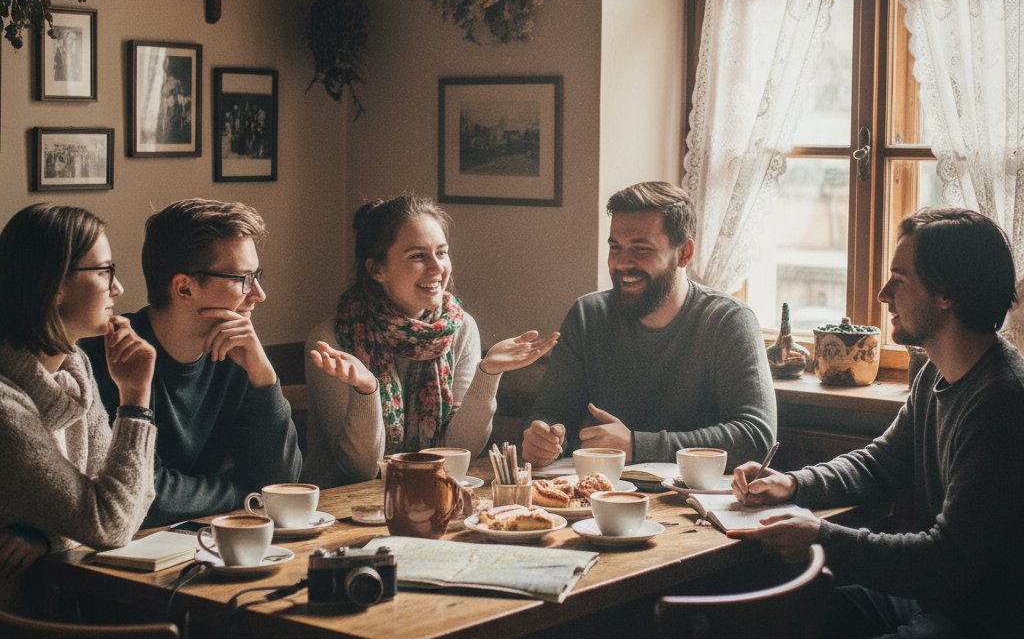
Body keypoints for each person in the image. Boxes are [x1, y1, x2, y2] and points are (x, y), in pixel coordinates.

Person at [731, 207, 1024, 639]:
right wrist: (795, 484)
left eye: (900, 278)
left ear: (947, 295)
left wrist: (820, 536)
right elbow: (880, 463)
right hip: (939, 607)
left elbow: (947, 563)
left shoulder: (1002, 403)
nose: (884, 292)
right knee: (780, 621)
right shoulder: (935, 372)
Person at [303, 194, 559, 486]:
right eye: (418, 256)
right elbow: (361, 470)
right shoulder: (330, 340)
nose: (437, 268)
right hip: (341, 512)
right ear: (377, 270)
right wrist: (367, 390)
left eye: (442, 252)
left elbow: (461, 450)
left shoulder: (460, 328)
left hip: (433, 494)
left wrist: (488, 373)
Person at [522, 181, 775, 467]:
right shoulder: (587, 315)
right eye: (615, 247)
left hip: (693, 501)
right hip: (595, 493)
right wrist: (542, 437)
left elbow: (756, 437)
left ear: (684, 254)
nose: (621, 263)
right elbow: (550, 413)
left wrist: (638, 446)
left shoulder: (729, 321)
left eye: (641, 250)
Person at [83, 199, 301, 526]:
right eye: (242, 278)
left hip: (200, 544)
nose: (258, 293)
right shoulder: (113, 356)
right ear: (184, 288)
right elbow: (147, 495)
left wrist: (264, 377)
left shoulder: (238, 353)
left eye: (256, 275)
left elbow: (281, 486)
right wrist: (242, 491)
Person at [0, 204, 156, 607]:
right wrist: (135, 401)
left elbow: (138, 494)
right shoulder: (6, 408)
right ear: (54, 286)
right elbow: (110, 522)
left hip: (58, 607)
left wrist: (47, 535)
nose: (118, 288)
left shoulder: (75, 370)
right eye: (104, 271)